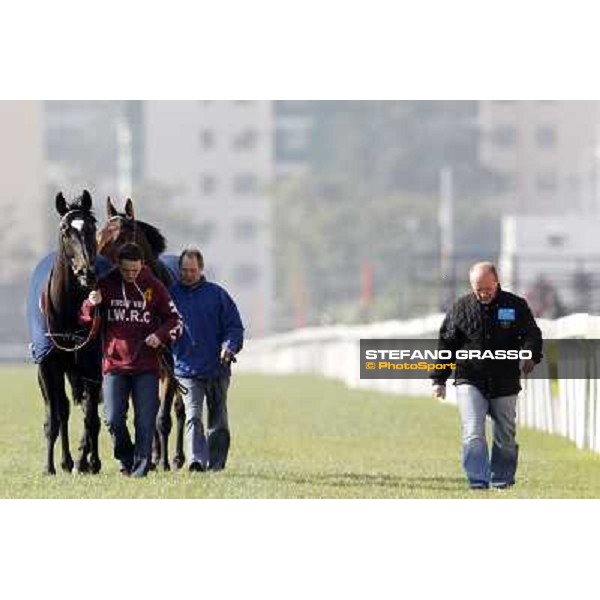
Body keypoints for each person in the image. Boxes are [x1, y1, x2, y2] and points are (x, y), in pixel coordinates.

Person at [431, 261, 543, 490]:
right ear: (472, 286)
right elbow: (446, 344)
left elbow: (532, 332)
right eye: (478, 289)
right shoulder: (460, 308)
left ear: (497, 282)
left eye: (487, 289)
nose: (483, 293)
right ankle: (478, 482)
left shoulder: (515, 305)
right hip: (469, 379)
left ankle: (501, 481)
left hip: (505, 381)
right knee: (473, 432)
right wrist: (439, 379)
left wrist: (531, 355)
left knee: (505, 436)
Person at [79, 242, 182, 477]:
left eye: (135, 271)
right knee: (113, 418)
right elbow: (85, 320)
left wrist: (159, 335)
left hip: (146, 366)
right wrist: (90, 303)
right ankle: (126, 458)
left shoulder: (154, 286)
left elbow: (174, 320)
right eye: (126, 271)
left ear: (142, 265)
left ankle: (140, 470)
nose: (130, 275)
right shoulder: (105, 284)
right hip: (114, 364)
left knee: (145, 422)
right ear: (118, 265)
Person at [169, 248, 244, 472]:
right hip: (185, 369)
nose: (188, 275)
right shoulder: (170, 296)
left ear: (201, 269)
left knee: (218, 421)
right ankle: (196, 461)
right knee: (193, 416)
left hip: (217, 369)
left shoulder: (218, 295)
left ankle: (216, 463)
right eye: (184, 270)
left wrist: (229, 347)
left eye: (192, 270)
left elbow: (235, 328)